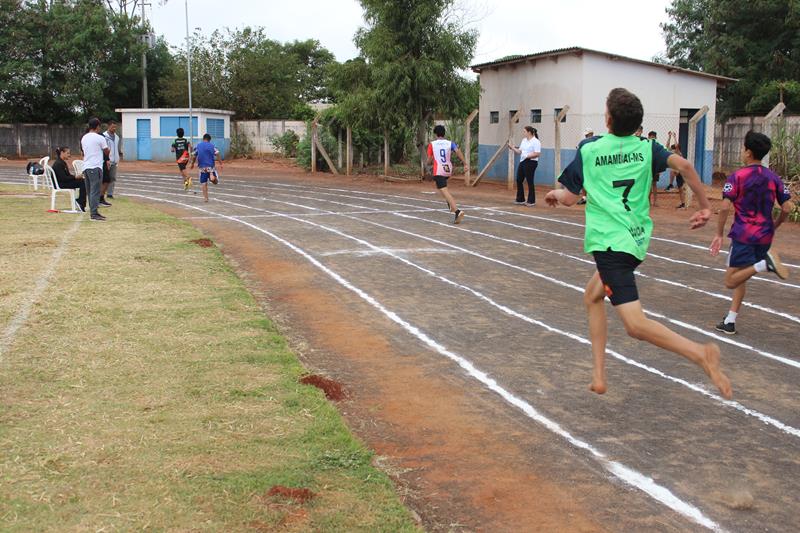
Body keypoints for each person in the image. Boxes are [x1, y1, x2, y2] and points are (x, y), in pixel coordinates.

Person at [544, 87, 732, 399]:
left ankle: (701, 354)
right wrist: (705, 206)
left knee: (634, 324)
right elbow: (684, 166)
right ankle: (599, 375)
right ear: (637, 124)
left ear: (607, 119)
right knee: (592, 297)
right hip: (635, 240)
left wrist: (555, 194)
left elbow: (570, 198)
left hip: (610, 245)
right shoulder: (648, 148)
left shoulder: (589, 148)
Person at [710, 131, 794, 335]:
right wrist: (775, 225)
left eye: (743, 148)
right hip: (765, 235)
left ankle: (764, 264)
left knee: (731, 280)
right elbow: (787, 207)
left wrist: (719, 234)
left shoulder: (738, 176)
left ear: (748, 152)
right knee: (741, 277)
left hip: (744, 235)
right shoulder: (773, 177)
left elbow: (724, 207)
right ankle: (730, 320)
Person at [426, 124, 468, 224]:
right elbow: (458, 152)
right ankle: (450, 205)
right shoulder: (450, 143)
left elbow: (429, 160)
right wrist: (465, 163)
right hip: (448, 169)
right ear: (444, 133)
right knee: (442, 189)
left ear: (436, 134)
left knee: (445, 191)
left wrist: (427, 162)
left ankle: (457, 211)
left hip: (439, 170)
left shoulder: (432, 144)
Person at [80, 117, 110, 221]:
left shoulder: (84, 137)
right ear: (97, 126)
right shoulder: (99, 138)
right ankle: (94, 213)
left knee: (90, 190)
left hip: (86, 166)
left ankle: (93, 211)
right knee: (95, 190)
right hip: (95, 166)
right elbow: (106, 151)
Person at [510, 126, 541, 206]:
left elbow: (537, 154)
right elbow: (520, 151)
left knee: (529, 181)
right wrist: (513, 148)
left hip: (531, 162)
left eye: (524, 131)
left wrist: (527, 156)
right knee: (519, 179)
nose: (523, 133)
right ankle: (520, 199)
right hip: (523, 161)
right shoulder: (524, 140)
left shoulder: (536, 141)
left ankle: (531, 201)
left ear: (529, 132)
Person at [51, 146, 86, 212]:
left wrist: (76, 177)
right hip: (60, 184)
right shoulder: (58, 164)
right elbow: (64, 178)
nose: (69, 155)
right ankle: (81, 202)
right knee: (82, 182)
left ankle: (80, 201)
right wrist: (75, 177)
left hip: (63, 182)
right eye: (67, 153)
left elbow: (67, 176)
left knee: (83, 181)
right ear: (62, 153)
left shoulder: (62, 163)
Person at [190, 133, 221, 203]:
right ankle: (212, 176)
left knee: (204, 183)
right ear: (209, 140)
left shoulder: (198, 146)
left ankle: (206, 198)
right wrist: (220, 163)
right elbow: (217, 153)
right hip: (211, 167)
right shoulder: (212, 146)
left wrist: (192, 164)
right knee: (215, 182)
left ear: (203, 139)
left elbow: (194, 155)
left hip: (202, 168)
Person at [103, 120, 122, 199]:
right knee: (105, 178)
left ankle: (110, 194)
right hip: (106, 160)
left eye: (115, 127)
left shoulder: (117, 137)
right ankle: (102, 193)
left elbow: (117, 148)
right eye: (112, 127)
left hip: (114, 160)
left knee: (112, 177)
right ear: (108, 126)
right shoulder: (104, 136)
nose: (114, 128)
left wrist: (117, 157)